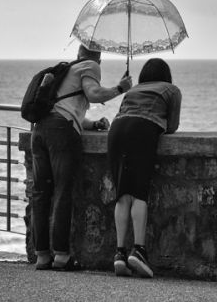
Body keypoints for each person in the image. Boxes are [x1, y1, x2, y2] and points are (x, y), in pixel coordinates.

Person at [31, 45, 133, 271]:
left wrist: (93, 124)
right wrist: (121, 87)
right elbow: (94, 94)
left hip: (40, 131)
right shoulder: (91, 65)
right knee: (62, 192)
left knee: (40, 194)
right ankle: (61, 256)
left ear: (78, 53)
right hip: (61, 134)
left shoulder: (67, 71)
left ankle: (41, 256)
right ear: (98, 57)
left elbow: (64, 109)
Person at [107, 58, 181, 278]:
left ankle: (119, 254)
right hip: (143, 130)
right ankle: (138, 251)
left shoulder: (133, 89)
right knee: (139, 193)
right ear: (166, 74)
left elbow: (123, 110)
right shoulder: (171, 90)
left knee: (122, 194)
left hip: (117, 129)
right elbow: (173, 126)